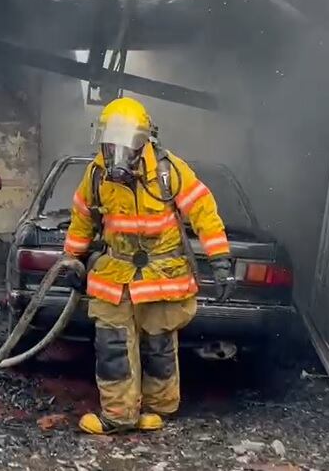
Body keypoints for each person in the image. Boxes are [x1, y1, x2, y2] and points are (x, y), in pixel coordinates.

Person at [61, 97, 237, 435]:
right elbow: (82, 219)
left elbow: (204, 212)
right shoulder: (97, 174)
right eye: (111, 139)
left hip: (161, 275)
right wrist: (72, 259)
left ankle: (158, 410)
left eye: (126, 140)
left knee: (159, 345)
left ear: (145, 139)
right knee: (113, 347)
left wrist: (220, 261)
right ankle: (119, 416)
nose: (118, 149)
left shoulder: (170, 172)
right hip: (116, 274)